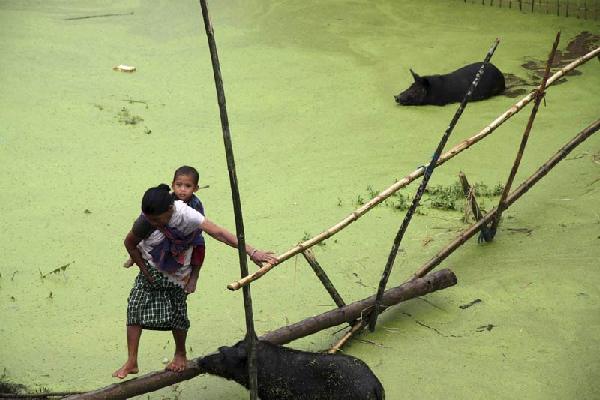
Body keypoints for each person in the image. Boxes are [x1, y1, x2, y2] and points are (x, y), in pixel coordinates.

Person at [113, 184, 277, 379]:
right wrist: (143, 268)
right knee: (134, 307)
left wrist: (252, 251)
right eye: (150, 220)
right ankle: (132, 361)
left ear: (170, 209)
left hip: (178, 271)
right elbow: (129, 243)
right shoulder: (146, 221)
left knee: (177, 314)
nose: (153, 223)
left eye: (157, 220)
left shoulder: (186, 214)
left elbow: (220, 233)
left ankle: (180, 353)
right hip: (152, 264)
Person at [123, 165, 206, 280]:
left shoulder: (196, 205)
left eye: (188, 186)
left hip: (185, 235)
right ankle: (137, 255)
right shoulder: (166, 200)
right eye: (178, 185)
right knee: (149, 235)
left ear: (195, 188)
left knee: (200, 247)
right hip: (164, 232)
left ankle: (194, 276)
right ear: (172, 185)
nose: (182, 189)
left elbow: (199, 225)